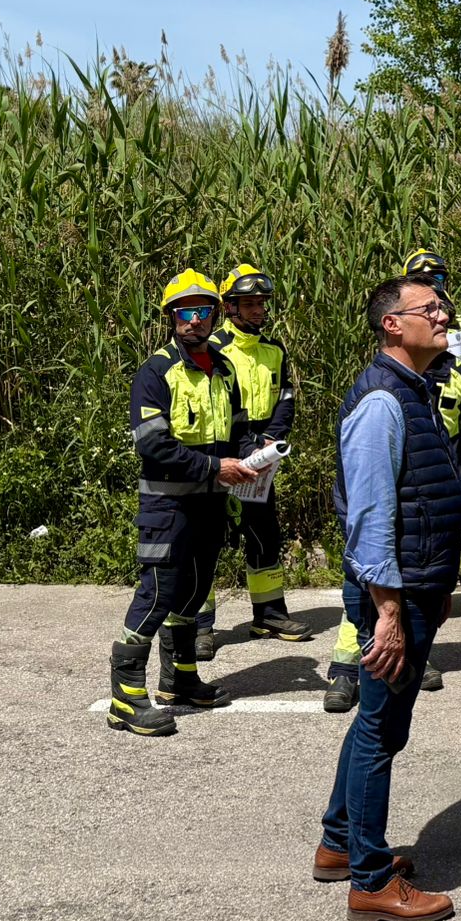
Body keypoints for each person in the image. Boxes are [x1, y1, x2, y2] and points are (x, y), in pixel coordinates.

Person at [315, 276, 461, 921]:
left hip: (412, 588)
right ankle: (371, 880)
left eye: (442, 307)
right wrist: (390, 613)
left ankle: (339, 844)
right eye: (428, 309)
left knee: (377, 726)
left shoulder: (415, 390)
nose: (443, 314)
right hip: (391, 596)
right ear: (391, 326)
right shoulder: (383, 402)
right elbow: (371, 515)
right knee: (379, 730)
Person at [106, 270, 257, 737]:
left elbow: (238, 427)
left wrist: (258, 451)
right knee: (157, 595)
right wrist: (216, 468)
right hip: (167, 508)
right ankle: (126, 697)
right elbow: (152, 445)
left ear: (215, 314)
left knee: (193, 594)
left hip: (212, 505)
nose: (195, 319)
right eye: (185, 312)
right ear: (171, 318)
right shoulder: (155, 372)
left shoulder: (225, 368)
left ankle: (180, 678)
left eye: (203, 310)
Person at [192, 264, 307, 658]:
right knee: (209, 537)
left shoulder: (274, 349)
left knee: (264, 531)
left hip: (263, 454)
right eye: (249, 304)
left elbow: (287, 396)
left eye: (261, 303)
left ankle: (270, 612)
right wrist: (242, 446)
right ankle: (199, 625)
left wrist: (273, 438)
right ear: (230, 307)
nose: (258, 310)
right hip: (222, 452)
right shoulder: (214, 349)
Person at [402, 249, 461, 631]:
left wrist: (458, 371)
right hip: (418, 429)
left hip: (458, 433)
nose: (433, 286)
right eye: (424, 279)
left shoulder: (459, 323)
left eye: (438, 279)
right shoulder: (401, 320)